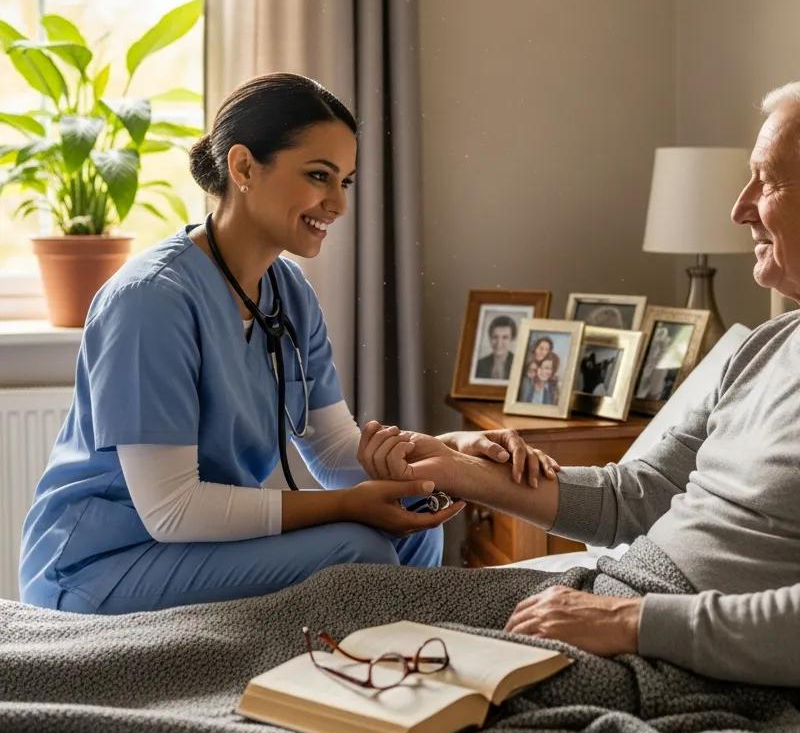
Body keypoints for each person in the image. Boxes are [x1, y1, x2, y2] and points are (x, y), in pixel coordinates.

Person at [367, 75, 800, 690]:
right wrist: (453, 468)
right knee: (342, 598)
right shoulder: (758, 347)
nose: (740, 207)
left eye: (767, 180)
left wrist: (629, 620)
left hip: (661, 649)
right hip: (612, 597)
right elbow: (635, 495)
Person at [19, 73, 557, 615]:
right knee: (359, 549)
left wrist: (444, 453)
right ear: (244, 167)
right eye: (319, 176)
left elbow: (331, 450)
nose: (338, 205)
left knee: (414, 519)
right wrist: (348, 506)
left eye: (344, 182)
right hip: (100, 563)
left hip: (189, 543)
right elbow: (170, 509)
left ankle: (397, 668)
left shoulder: (288, 290)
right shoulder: (151, 301)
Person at [473, 314, 517, 380]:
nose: (499, 343)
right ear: (489, 338)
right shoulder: (479, 365)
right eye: (495, 337)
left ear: (512, 339)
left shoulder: (519, 364)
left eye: (505, 337)